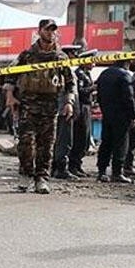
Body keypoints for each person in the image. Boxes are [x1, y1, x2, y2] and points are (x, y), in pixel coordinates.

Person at [14, 19, 76, 194]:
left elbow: (70, 83)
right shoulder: (26, 56)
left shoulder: (60, 57)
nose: (51, 33)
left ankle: (42, 178)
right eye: (47, 29)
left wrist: (69, 102)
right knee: (26, 144)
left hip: (50, 107)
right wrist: (11, 97)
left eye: (53, 30)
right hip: (28, 106)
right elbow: (10, 77)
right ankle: (25, 175)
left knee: (46, 146)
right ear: (39, 31)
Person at [96, 60, 135, 183]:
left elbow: (99, 95)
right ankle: (117, 172)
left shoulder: (104, 74)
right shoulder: (125, 75)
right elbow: (129, 97)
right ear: (127, 63)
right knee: (121, 144)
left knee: (106, 143)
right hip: (121, 116)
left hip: (107, 113)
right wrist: (133, 115)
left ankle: (102, 171)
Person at [52, 45, 82, 180]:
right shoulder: (63, 69)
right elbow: (66, 91)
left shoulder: (68, 69)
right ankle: (60, 168)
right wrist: (68, 105)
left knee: (61, 139)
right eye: (74, 54)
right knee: (64, 140)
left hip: (66, 108)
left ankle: (56, 167)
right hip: (64, 109)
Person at [68, 50, 96, 177]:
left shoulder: (86, 74)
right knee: (79, 137)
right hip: (81, 107)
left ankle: (78, 164)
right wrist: (93, 88)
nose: (94, 64)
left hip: (87, 107)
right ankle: (73, 165)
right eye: (92, 60)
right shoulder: (79, 74)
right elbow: (80, 91)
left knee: (85, 138)